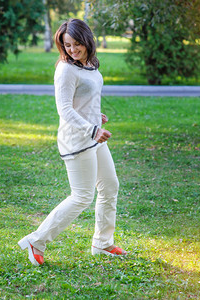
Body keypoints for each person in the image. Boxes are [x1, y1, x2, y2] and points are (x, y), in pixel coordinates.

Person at [18, 19, 127, 266]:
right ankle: (37, 240)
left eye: (77, 44)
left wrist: (95, 116)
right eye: (67, 45)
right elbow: (65, 109)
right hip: (78, 140)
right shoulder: (65, 69)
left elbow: (83, 100)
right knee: (81, 196)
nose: (72, 50)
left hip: (92, 135)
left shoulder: (89, 65)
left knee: (110, 185)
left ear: (87, 41)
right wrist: (92, 128)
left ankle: (102, 243)